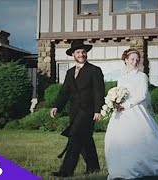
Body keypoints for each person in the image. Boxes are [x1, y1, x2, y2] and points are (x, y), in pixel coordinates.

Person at [104, 48, 158, 180]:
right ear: (126, 60)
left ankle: (150, 164)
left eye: (137, 60)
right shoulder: (121, 78)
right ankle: (123, 167)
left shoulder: (142, 76)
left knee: (141, 139)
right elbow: (119, 93)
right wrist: (116, 103)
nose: (135, 62)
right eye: (132, 59)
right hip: (121, 113)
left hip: (136, 111)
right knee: (120, 140)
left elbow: (142, 95)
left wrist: (126, 105)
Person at [50, 40, 105, 177]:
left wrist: (98, 110)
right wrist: (57, 106)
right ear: (73, 54)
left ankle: (66, 171)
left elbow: (99, 92)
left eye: (83, 52)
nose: (81, 54)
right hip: (74, 111)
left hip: (88, 111)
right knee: (85, 139)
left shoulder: (94, 70)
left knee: (74, 138)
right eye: (78, 52)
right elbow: (64, 92)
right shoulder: (69, 72)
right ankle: (93, 167)